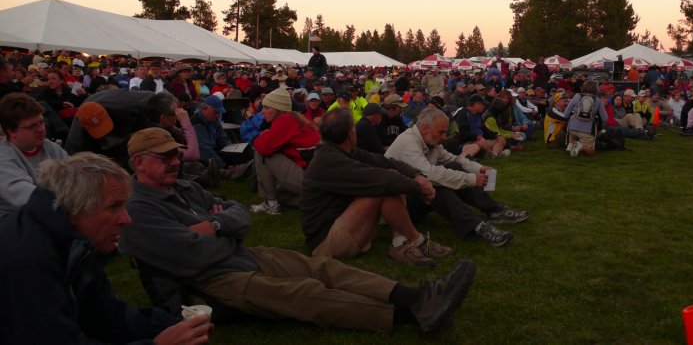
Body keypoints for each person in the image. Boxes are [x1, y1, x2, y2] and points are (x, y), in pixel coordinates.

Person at [120, 127, 475, 333]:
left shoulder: (184, 187)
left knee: (323, 270)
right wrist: (221, 227)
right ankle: (410, 316)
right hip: (206, 283)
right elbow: (191, 254)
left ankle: (417, 296)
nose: (174, 161)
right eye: (164, 157)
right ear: (138, 163)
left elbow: (240, 215)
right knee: (303, 294)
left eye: (175, 155)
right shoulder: (138, 209)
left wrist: (215, 224)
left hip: (238, 255)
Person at [0, 152, 212, 344]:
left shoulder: (76, 243)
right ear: (74, 209)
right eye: (113, 207)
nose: (126, 219)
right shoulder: (26, 260)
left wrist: (167, 326)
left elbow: (103, 313)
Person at [302, 108, 454, 268]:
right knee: (386, 182)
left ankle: (400, 243)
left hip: (342, 227)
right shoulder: (329, 161)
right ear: (350, 134)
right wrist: (419, 188)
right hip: (326, 244)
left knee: (390, 178)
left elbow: (385, 161)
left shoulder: (341, 152)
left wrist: (417, 175)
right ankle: (417, 239)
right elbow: (386, 179)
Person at [386, 107, 528, 247]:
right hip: (397, 207)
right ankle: (477, 226)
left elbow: (454, 159)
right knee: (434, 186)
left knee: (453, 168)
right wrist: (472, 179)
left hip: (412, 196)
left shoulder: (428, 140)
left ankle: (494, 210)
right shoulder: (408, 142)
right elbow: (429, 174)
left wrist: (479, 168)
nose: (444, 137)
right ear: (424, 128)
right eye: (441, 132)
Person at [0, 93, 69, 221]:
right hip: (15, 223)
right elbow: (29, 198)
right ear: (11, 131)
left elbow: (75, 175)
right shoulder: (3, 159)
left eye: (41, 122)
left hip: (48, 214)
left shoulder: (49, 147)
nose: (41, 129)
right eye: (32, 126)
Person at [251, 89, 320, 215]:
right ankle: (314, 200)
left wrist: (263, 135)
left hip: (308, 177)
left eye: (266, 107)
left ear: (277, 109)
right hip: (316, 178)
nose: (262, 111)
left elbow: (262, 146)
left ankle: (270, 203)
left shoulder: (286, 120)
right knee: (279, 193)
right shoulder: (296, 118)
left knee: (261, 152)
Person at [564, 80, 607, 157]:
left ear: (582, 88)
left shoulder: (577, 96)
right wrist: (601, 129)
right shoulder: (598, 101)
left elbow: (566, 114)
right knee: (592, 153)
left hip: (572, 128)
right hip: (587, 130)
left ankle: (570, 145)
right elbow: (604, 118)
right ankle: (580, 146)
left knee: (572, 127)